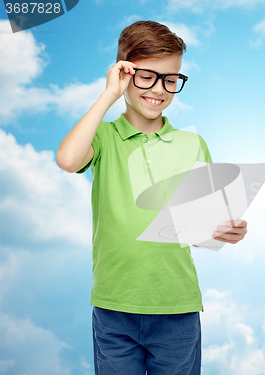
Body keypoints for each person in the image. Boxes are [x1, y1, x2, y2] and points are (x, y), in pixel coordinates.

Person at [56, 20, 247, 375]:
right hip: (114, 306)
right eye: (146, 76)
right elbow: (67, 160)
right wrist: (108, 95)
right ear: (124, 73)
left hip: (177, 307)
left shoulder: (192, 144)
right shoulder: (104, 138)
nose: (159, 89)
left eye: (171, 79)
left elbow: (201, 230)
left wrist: (224, 231)